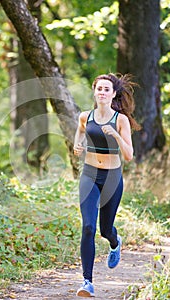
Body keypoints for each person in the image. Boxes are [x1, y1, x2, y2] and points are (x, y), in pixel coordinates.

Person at [73, 73, 141, 297]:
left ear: (113, 95)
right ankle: (87, 282)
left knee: (105, 230)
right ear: (95, 92)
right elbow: (81, 130)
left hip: (112, 177)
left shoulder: (120, 120)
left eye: (106, 89)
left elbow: (129, 155)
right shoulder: (86, 116)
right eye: (99, 89)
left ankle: (115, 241)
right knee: (88, 227)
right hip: (89, 175)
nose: (102, 92)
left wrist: (116, 136)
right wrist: (77, 144)